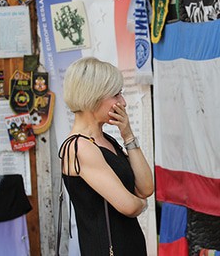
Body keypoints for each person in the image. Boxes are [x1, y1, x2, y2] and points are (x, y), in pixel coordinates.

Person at [58, 57, 153, 255]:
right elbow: (128, 206)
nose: (123, 102)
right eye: (116, 95)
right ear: (93, 97)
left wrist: (127, 134)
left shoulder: (106, 140)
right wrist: (142, 205)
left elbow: (146, 187)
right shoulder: (79, 147)